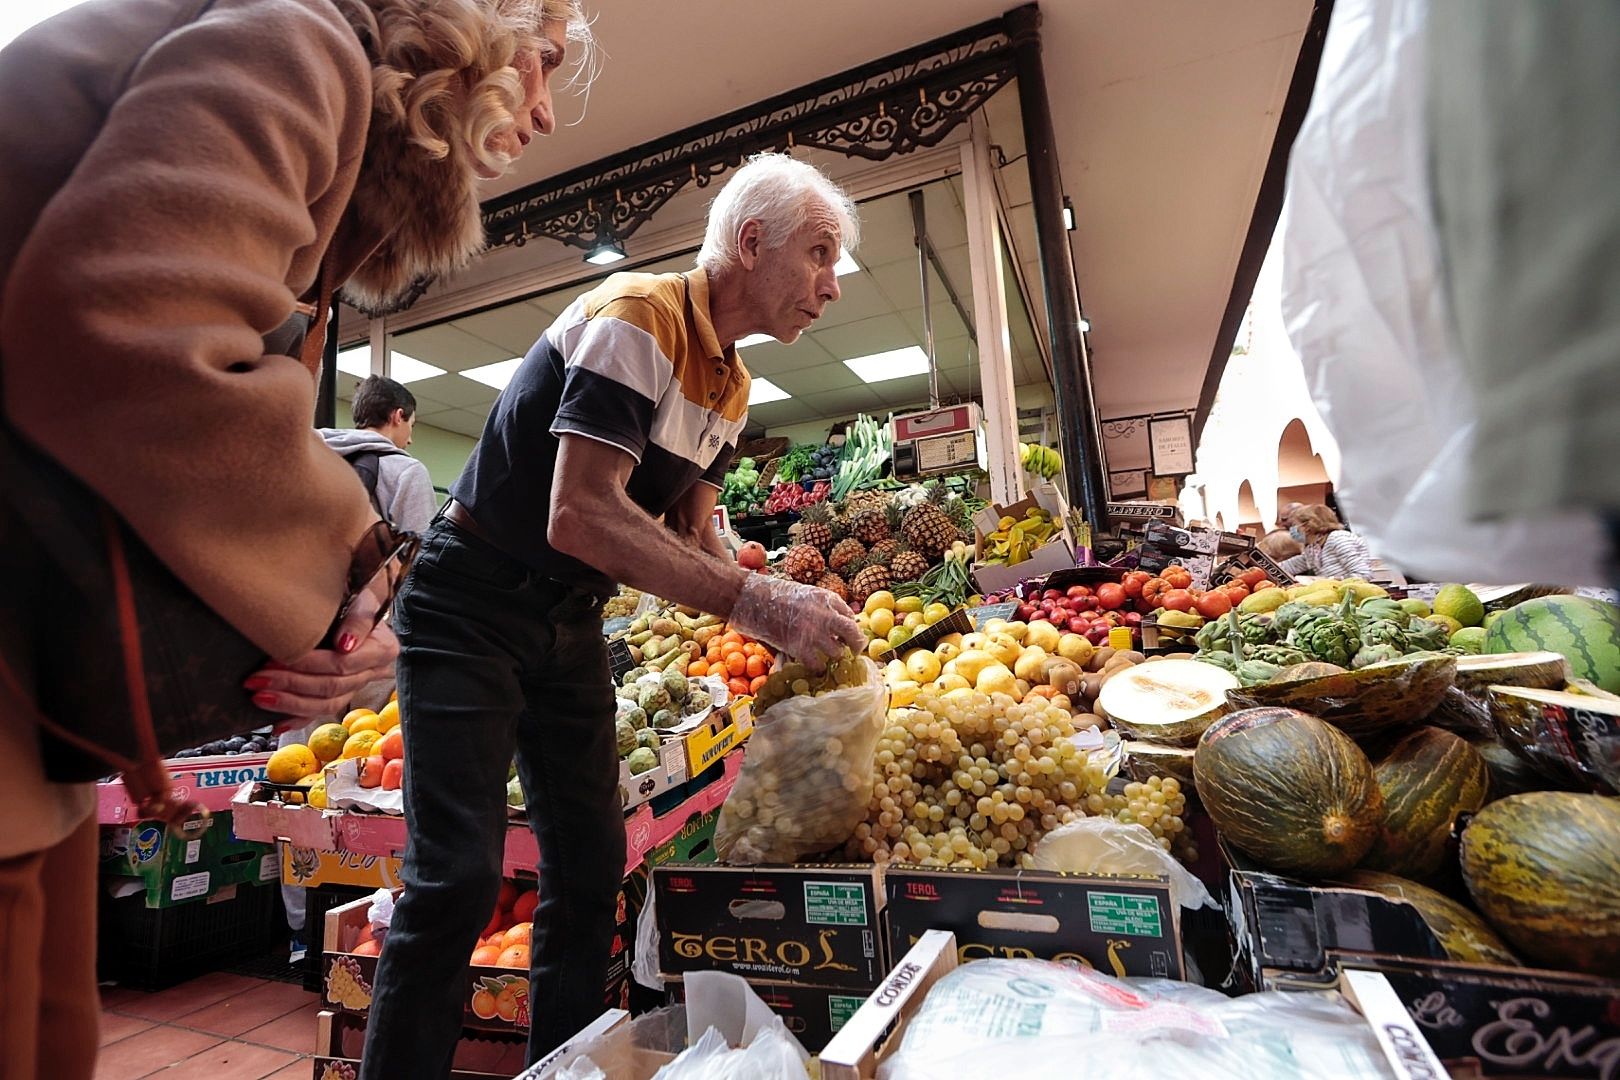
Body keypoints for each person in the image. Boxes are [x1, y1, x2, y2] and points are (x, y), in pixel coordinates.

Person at [0, 0, 589, 1074]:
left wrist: (330, 607)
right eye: (544, 62)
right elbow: (124, 336)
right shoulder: (302, 37)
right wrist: (350, 568)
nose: (548, 113)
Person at [361, 152, 866, 1076]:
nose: (831, 287)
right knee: (457, 878)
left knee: (591, 867)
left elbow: (693, 534)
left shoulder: (734, 387)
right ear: (752, 244)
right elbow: (581, 511)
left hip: (569, 620)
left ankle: (560, 1064)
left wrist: (775, 592)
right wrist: (754, 598)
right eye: (821, 255)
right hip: (469, 600)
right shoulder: (638, 316)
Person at [323, 374, 439, 533]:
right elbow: (420, 548)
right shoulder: (408, 470)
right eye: (411, 425)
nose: (410, 440)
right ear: (398, 416)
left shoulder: (320, 452)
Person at [1278, 504, 1373, 580]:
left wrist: (1326, 581)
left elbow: (1363, 575)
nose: (1292, 530)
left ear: (1307, 526)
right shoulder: (1313, 548)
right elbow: (1292, 565)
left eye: (1294, 525)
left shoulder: (1338, 538)